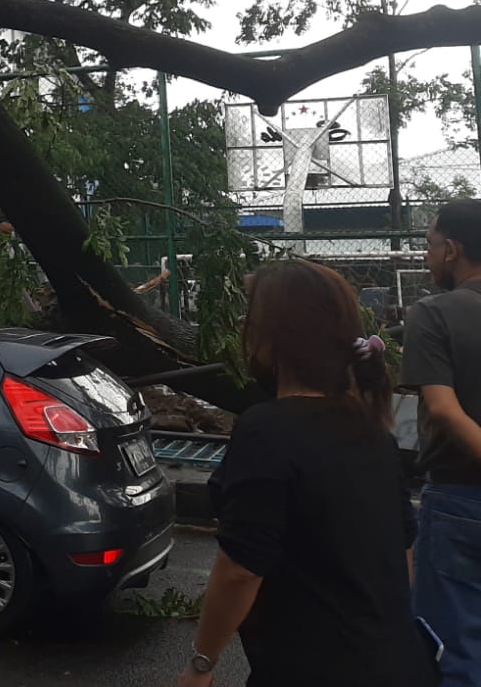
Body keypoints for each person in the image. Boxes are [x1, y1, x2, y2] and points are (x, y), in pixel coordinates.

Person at [178, 260, 437, 687]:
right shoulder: (373, 430)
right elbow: (403, 554)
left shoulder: (266, 429)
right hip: (400, 661)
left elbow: (240, 568)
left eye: (251, 316)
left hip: (312, 667)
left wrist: (202, 663)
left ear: (272, 336)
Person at [402, 198, 481, 685]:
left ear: (451, 249)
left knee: (452, 644)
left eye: (430, 245)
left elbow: (444, 410)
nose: (427, 255)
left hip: (459, 497)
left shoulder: (431, 314)